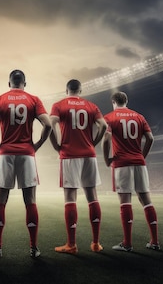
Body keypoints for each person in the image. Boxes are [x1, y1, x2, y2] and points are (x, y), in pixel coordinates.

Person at [0, 69, 52, 258]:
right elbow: (48, 124)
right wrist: (36, 145)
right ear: (25, 83)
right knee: (30, 201)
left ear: (9, 83)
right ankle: (33, 248)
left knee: (0, 200)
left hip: (5, 154)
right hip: (27, 154)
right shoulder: (33, 99)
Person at [49, 79, 108, 254]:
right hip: (89, 154)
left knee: (70, 197)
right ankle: (96, 243)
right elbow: (104, 125)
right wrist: (93, 143)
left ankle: (72, 245)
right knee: (92, 196)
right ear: (80, 90)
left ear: (66, 90)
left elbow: (50, 124)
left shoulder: (59, 105)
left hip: (69, 154)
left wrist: (56, 145)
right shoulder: (91, 105)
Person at [102, 91, 160, 252]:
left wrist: (107, 160)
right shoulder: (139, 117)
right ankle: (154, 241)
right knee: (146, 200)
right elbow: (150, 138)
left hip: (121, 163)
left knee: (125, 202)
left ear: (113, 102)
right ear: (126, 101)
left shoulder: (110, 117)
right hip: (139, 162)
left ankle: (127, 243)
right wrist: (142, 156)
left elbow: (106, 139)